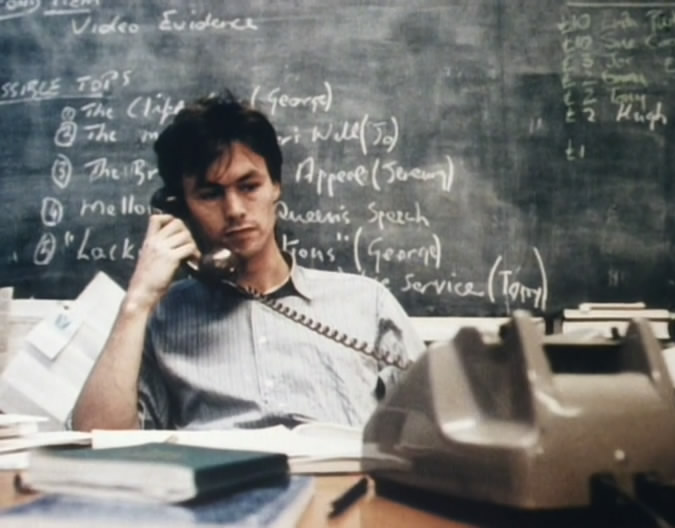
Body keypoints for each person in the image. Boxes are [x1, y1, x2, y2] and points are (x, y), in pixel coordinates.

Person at [71, 91, 424, 431]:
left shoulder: (366, 303)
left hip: (340, 471)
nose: (235, 210)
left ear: (275, 186)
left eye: (249, 186)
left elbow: (438, 427)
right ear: (181, 210)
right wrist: (137, 302)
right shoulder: (162, 318)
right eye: (210, 194)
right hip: (217, 472)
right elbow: (97, 436)